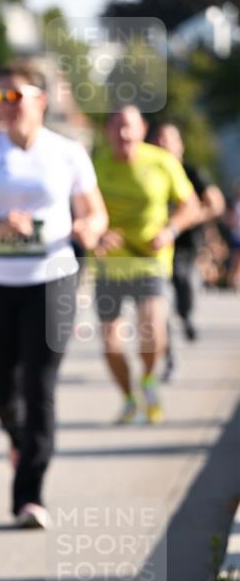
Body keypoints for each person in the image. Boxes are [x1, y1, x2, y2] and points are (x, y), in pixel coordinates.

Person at [0, 62, 107, 528]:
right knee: (4, 386)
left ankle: (29, 494)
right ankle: (18, 437)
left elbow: (95, 213)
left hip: (52, 280)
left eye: (15, 97)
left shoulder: (67, 152)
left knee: (41, 385)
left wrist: (90, 228)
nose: (5, 107)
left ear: (41, 101)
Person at [94, 107, 198, 423]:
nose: (123, 134)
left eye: (129, 127)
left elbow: (190, 206)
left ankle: (149, 379)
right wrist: (98, 233)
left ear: (142, 129)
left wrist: (170, 230)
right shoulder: (96, 165)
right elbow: (81, 208)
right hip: (110, 265)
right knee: (112, 345)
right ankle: (128, 398)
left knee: (152, 333)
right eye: (117, 127)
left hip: (149, 260)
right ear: (107, 131)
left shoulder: (161, 162)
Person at [151, 122, 225, 379]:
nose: (163, 145)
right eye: (158, 140)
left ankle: (187, 315)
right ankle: (171, 360)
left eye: (168, 140)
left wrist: (189, 218)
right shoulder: (149, 171)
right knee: (161, 305)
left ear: (180, 145)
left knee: (183, 285)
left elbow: (216, 204)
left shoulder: (191, 172)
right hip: (156, 248)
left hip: (185, 247)